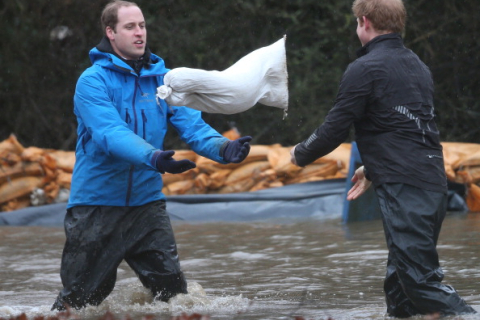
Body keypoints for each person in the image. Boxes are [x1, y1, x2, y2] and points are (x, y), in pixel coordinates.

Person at [51, 0, 252, 311]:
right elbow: (110, 135)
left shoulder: (164, 80)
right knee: (80, 304)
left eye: (142, 25)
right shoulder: (92, 81)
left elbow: (192, 126)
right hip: (97, 206)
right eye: (130, 27)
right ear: (111, 33)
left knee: (176, 299)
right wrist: (154, 157)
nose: (139, 33)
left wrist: (224, 148)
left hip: (147, 207)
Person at [289, 0, 476, 317]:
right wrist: (372, 169)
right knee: (400, 287)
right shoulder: (417, 65)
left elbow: (335, 129)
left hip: (407, 189)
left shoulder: (365, 68)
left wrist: (299, 153)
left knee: (420, 283)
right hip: (431, 184)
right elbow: (407, 129)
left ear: (364, 21)